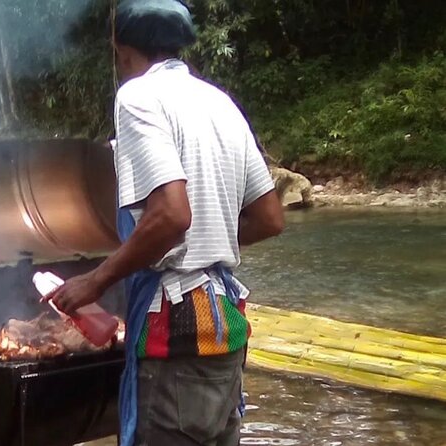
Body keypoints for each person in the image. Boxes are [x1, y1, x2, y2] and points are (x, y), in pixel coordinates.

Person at [45, 1, 284, 445]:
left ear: (121, 49)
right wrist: (207, 242)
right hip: (224, 327)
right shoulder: (219, 101)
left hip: (176, 330)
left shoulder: (137, 97)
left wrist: (94, 282)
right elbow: (269, 217)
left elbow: (172, 215)